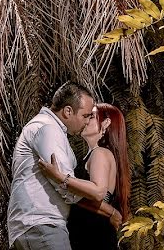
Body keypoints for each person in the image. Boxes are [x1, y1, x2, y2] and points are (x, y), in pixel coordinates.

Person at [7, 83, 122, 250]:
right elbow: (68, 190)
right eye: (85, 116)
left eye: (91, 117)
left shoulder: (51, 130)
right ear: (68, 111)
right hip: (42, 225)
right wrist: (109, 210)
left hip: (39, 226)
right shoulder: (48, 129)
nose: (87, 121)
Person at [38, 103, 131, 249]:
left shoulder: (100, 154)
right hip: (91, 230)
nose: (86, 120)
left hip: (93, 233)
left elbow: (95, 195)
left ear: (106, 123)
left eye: (91, 116)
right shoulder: (93, 155)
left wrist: (59, 177)